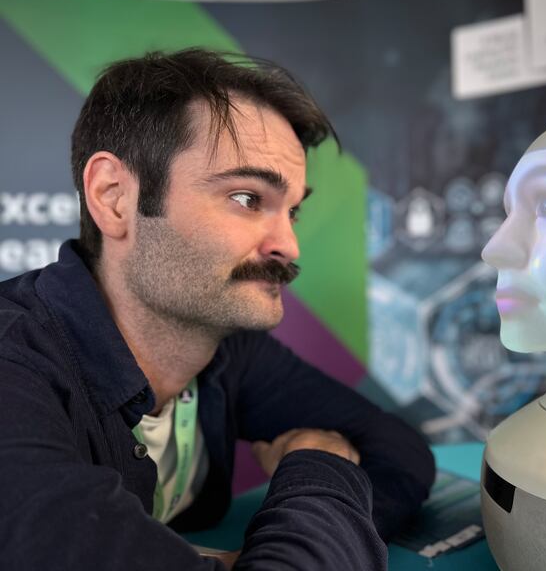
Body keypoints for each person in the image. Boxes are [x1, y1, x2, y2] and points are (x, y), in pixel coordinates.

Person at [0, 49, 435, 570]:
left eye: (292, 210)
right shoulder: (14, 372)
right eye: (248, 199)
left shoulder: (227, 350)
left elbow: (400, 452)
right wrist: (318, 469)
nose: (290, 245)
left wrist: (293, 543)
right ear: (114, 197)